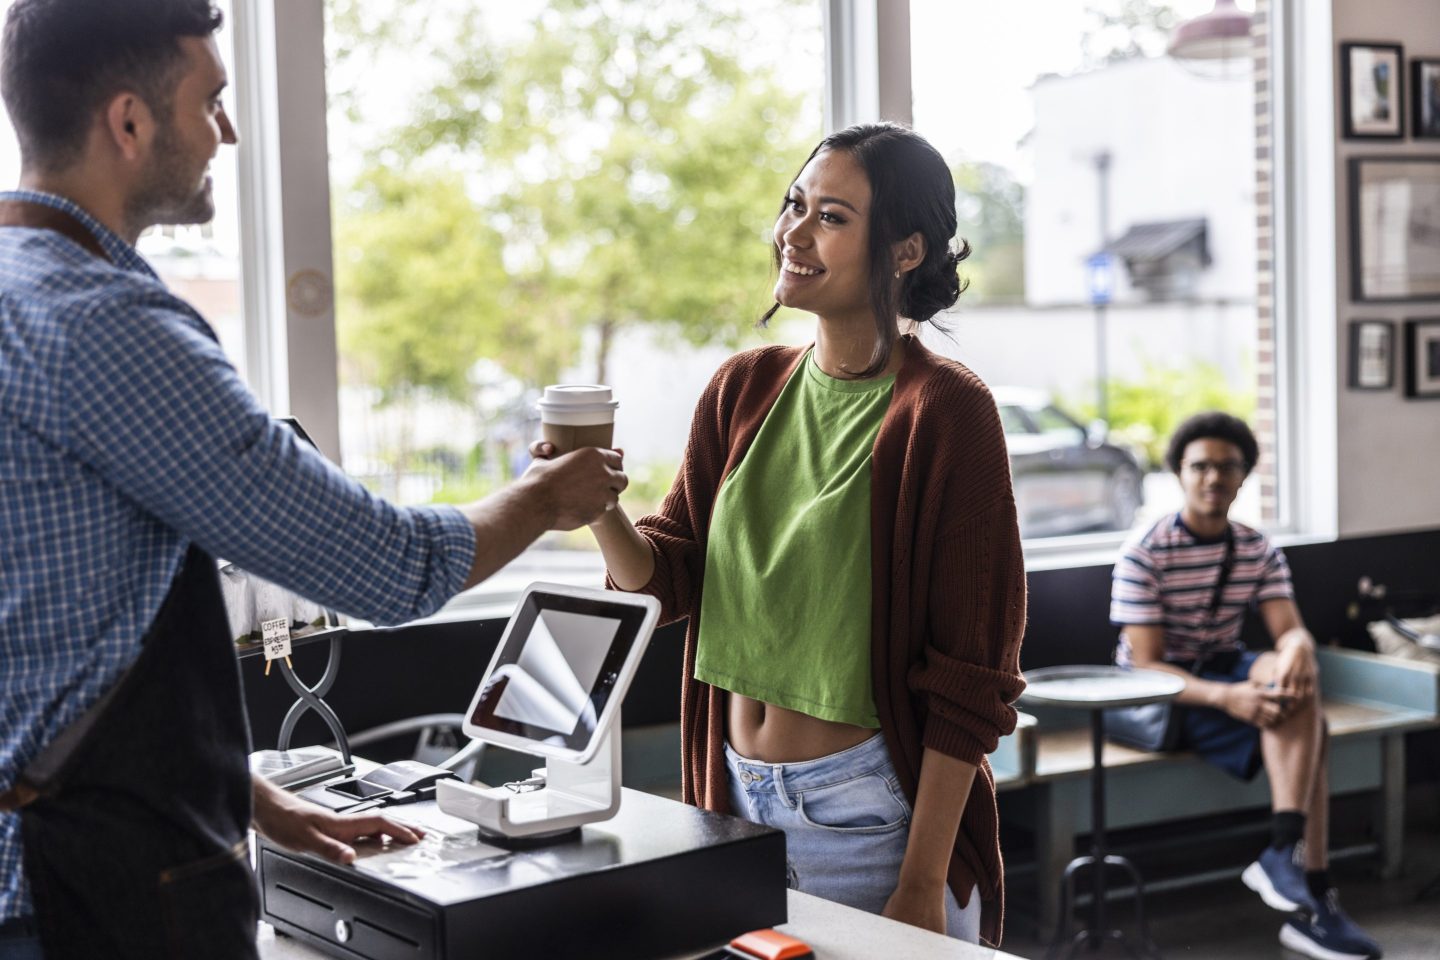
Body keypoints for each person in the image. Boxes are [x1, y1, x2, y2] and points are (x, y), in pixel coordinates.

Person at [0, 2, 626, 958]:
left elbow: (51, 645)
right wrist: (545, 501)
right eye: (209, 101)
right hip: (91, 896)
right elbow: (385, 563)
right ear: (128, 124)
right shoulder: (110, 330)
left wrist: (263, 807)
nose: (230, 130)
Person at [535, 122, 1027, 946]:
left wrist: (922, 881)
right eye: (795, 205)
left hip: (873, 821)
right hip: (729, 796)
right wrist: (597, 507)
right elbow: (667, 581)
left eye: (832, 217)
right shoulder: (743, 388)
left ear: (906, 252)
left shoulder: (947, 413)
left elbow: (972, 683)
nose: (793, 232)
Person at [1109, 412, 1382, 960]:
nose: (1214, 478)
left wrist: (1300, 645)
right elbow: (1147, 667)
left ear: (1243, 476)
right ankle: (1315, 900)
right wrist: (1230, 698)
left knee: (1295, 678)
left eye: (1227, 467)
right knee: (1313, 726)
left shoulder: (1256, 547)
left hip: (1224, 666)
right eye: (1200, 466)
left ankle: (1285, 857)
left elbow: (1288, 631)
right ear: (1180, 475)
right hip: (1160, 696)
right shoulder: (1145, 552)